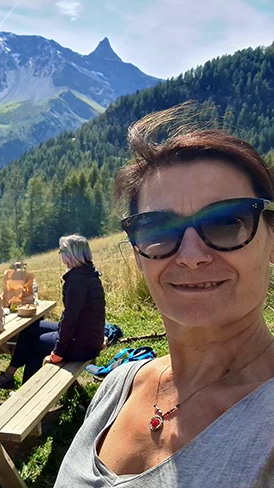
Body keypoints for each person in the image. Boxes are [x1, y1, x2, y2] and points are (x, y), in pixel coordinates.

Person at [55, 103, 274, 487]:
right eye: (157, 227)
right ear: (140, 256)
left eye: (225, 222)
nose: (190, 256)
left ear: (271, 242)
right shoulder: (118, 386)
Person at [0, 234, 106, 388]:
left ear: (70, 255)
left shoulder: (77, 281)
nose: (60, 255)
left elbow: (70, 320)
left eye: (61, 251)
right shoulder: (87, 273)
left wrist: (58, 353)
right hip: (87, 336)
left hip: (83, 345)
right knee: (31, 328)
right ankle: (9, 374)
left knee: (37, 344)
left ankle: (27, 392)